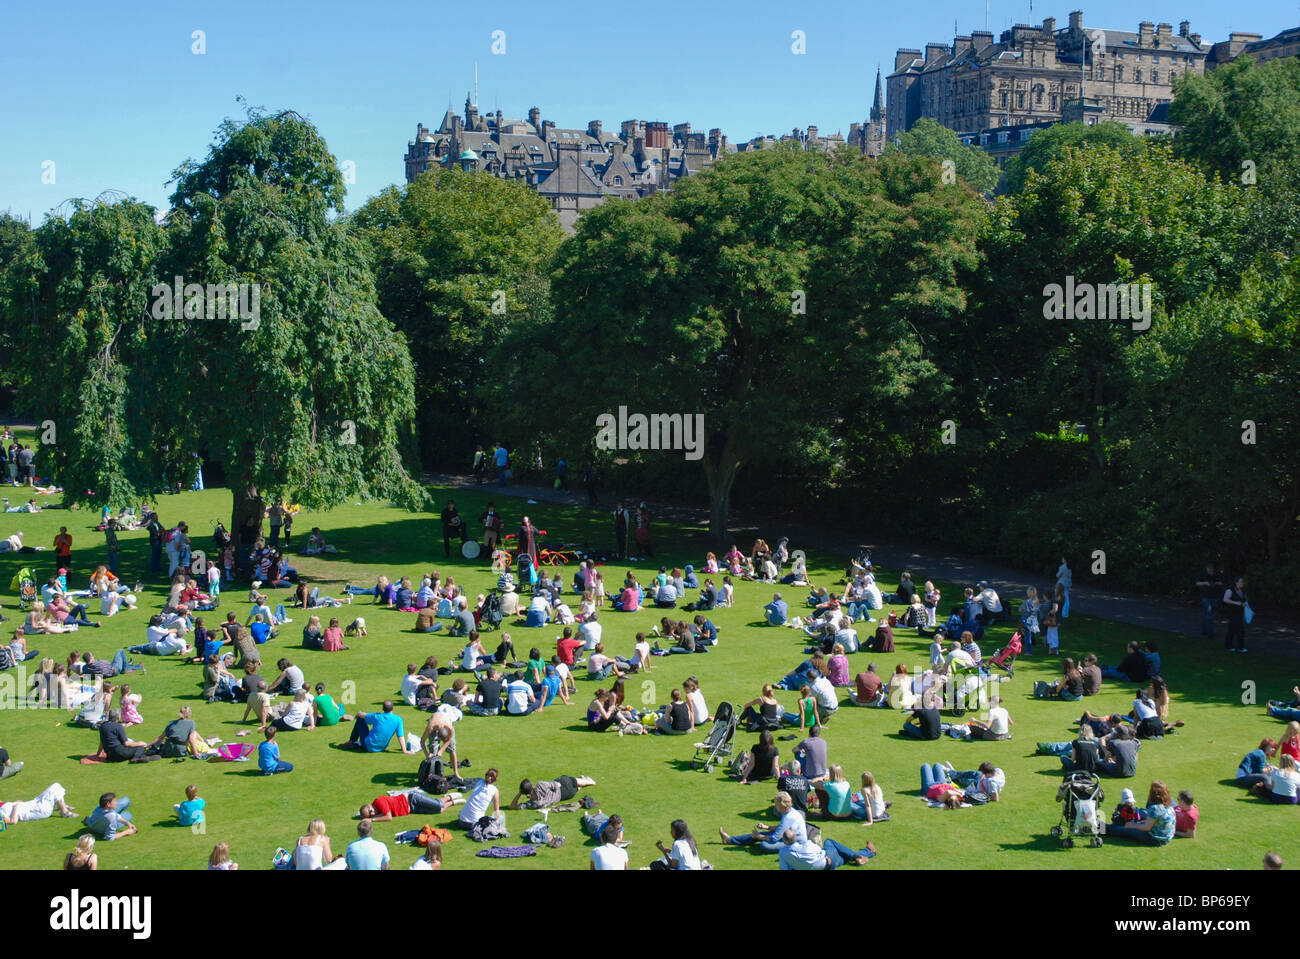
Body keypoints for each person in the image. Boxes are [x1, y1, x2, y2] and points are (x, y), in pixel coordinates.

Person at [718, 791, 805, 853]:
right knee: (761, 835)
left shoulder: (788, 817)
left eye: (776, 805)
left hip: (795, 844)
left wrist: (759, 836)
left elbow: (775, 838)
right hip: (788, 837)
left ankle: (730, 840)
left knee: (764, 845)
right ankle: (729, 839)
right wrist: (766, 827)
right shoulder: (790, 811)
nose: (775, 807)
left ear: (782, 805)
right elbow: (781, 827)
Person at [1104, 781, 1176, 845]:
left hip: (1156, 839)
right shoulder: (1170, 805)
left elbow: (1146, 828)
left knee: (1124, 830)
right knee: (1136, 823)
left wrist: (1132, 825)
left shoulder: (1155, 808)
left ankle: (1100, 827)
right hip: (1167, 836)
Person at [341, 701, 418, 754]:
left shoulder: (377, 716)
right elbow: (400, 736)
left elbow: (361, 715)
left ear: (383, 709)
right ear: (393, 708)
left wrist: (358, 714)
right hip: (382, 747)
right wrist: (404, 750)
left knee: (360, 720)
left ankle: (351, 741)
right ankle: (356, 744)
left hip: (368, 746)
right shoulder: (398, 719)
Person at [358, 787, 466, 821]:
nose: (373, 813)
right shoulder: (377, 810)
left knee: (438, 804)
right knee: (439, 810)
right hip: (411, 809)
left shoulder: (379, 802)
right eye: (370, 814)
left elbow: (389, 817)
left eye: (370, 811)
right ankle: (453, 802)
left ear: (369, 805)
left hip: (412, 799)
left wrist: (372, 820)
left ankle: (449, 796)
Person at [0, 782, 76, 824]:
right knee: (54, 789)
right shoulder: (1, 813)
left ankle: (62, 806)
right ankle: (64, 811)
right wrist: (15, 807)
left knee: (56, 786)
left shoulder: (2, 805)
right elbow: (12, 821)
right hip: (38, 809)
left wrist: (17, 803)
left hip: (34, 803)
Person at [508, 775, 596, 809]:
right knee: (568, 780)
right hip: (563, 788)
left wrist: (519, 793)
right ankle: (589, 781)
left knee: (573, 786)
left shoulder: (533, 803)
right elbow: (557, 784)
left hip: (567, 795)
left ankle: (579, 785)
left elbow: (512, 806)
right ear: (532, 785)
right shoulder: (540, 785)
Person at [1195, 564, 1223, 639]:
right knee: (1208, 614)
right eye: (1208, 569)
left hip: (1214, 596)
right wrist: (1206, 583)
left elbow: (1221, 583)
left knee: (1207, 614)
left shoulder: (1217, 574)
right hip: (1205, 596)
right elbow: (1197, 583)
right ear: (1206, 569)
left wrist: (1215, 583)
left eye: (1211, 570)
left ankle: (1204, 630)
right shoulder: (1202, 574)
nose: (1210, 571)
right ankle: (1210, 633)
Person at [1223, 576, 1248, 653]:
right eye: (1241, 582)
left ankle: (1234, 646)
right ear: (1236, 582)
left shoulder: (1243, 591)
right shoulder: (1230, 590)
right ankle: (1236, 646)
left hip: (1240, 613)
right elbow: (1225, 600)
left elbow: (1245, 600)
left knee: (1235, 630)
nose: (1242, 583)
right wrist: (1236, 603)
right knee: (1235, 630)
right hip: (1232, 613)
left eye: (1243, 582)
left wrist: (1245, 604)